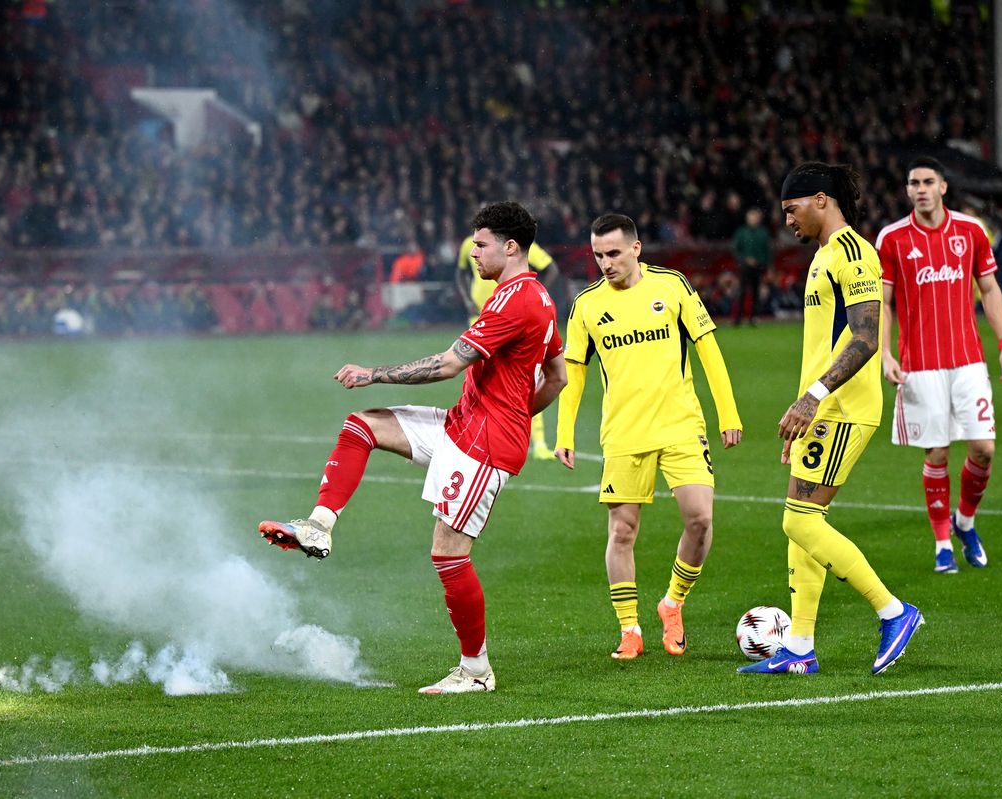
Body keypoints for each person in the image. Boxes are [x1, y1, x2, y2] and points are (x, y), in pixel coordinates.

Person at [260, 202, 567, 694]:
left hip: (484, 444)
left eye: (481, 244)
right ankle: (319, 527)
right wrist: (518, 412)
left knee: (448, 554)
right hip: (464, 424)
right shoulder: (537, 298)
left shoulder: (518, 300)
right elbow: (558, 376)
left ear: (511, 248)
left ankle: (475, 671)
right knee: (363, 425)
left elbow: (447, 365)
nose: (474, 254)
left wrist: (373, 373)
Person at [740, 161, 923, 676]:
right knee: (801, 524)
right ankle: (799, 647)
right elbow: (826, 343)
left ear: (821, 199)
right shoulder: (823, 256)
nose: (788, 220)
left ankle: (893, 611)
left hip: (844, 408)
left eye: (791, 209)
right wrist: (804, 408)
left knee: (798, 519)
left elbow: (866, 337)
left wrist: (814, 398)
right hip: (822, 410)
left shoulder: (853, 254)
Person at [554, 213, 742, 661]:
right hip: (623, 433)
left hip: (681, 425)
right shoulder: (586, 306)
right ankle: (629, 629)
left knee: (700, 519)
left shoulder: (672, 286)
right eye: (598, 255)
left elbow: (708, 350)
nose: (606, 263)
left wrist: (728, 412)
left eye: (614, 253)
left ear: (636, 248)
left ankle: (672, 604)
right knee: (622, 531)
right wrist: (564, 432)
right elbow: (574, 374)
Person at [875, 156, 1002, 574]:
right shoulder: (892, 239)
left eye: (927, 181)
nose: (920, 188)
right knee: (937, 452)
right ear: (907, 191)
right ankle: (942, 544)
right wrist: (886, 353)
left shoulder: (971, 231)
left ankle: (965, 522)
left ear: (943, 187)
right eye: (913, 182)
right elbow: (884, 302)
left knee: (983, 449)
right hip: (920, 365)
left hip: (969, 360)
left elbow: (989, 289)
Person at [456, 230, 561, 460]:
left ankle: (539, 442)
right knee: (479, 378)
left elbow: (551, 268)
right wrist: (467, 300)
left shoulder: (519, 247)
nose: (476, 252)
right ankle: (474, 430)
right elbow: (461, 273)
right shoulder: (468, 245)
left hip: (514, 318)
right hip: (481, 317)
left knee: (523, 378)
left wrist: (534, 292)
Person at [732, 208, 773, 325]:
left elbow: (767, 252)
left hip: (758, 267)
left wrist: (764, 264)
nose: (753, 219)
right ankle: (738, 317)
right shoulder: (741, 232)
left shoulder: (763, 233)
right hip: (744, 267)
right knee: (742, 292)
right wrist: (745, 260)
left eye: (755, 217)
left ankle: (753, 317)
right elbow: (736, 250)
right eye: (751, 217)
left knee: (755, 292)